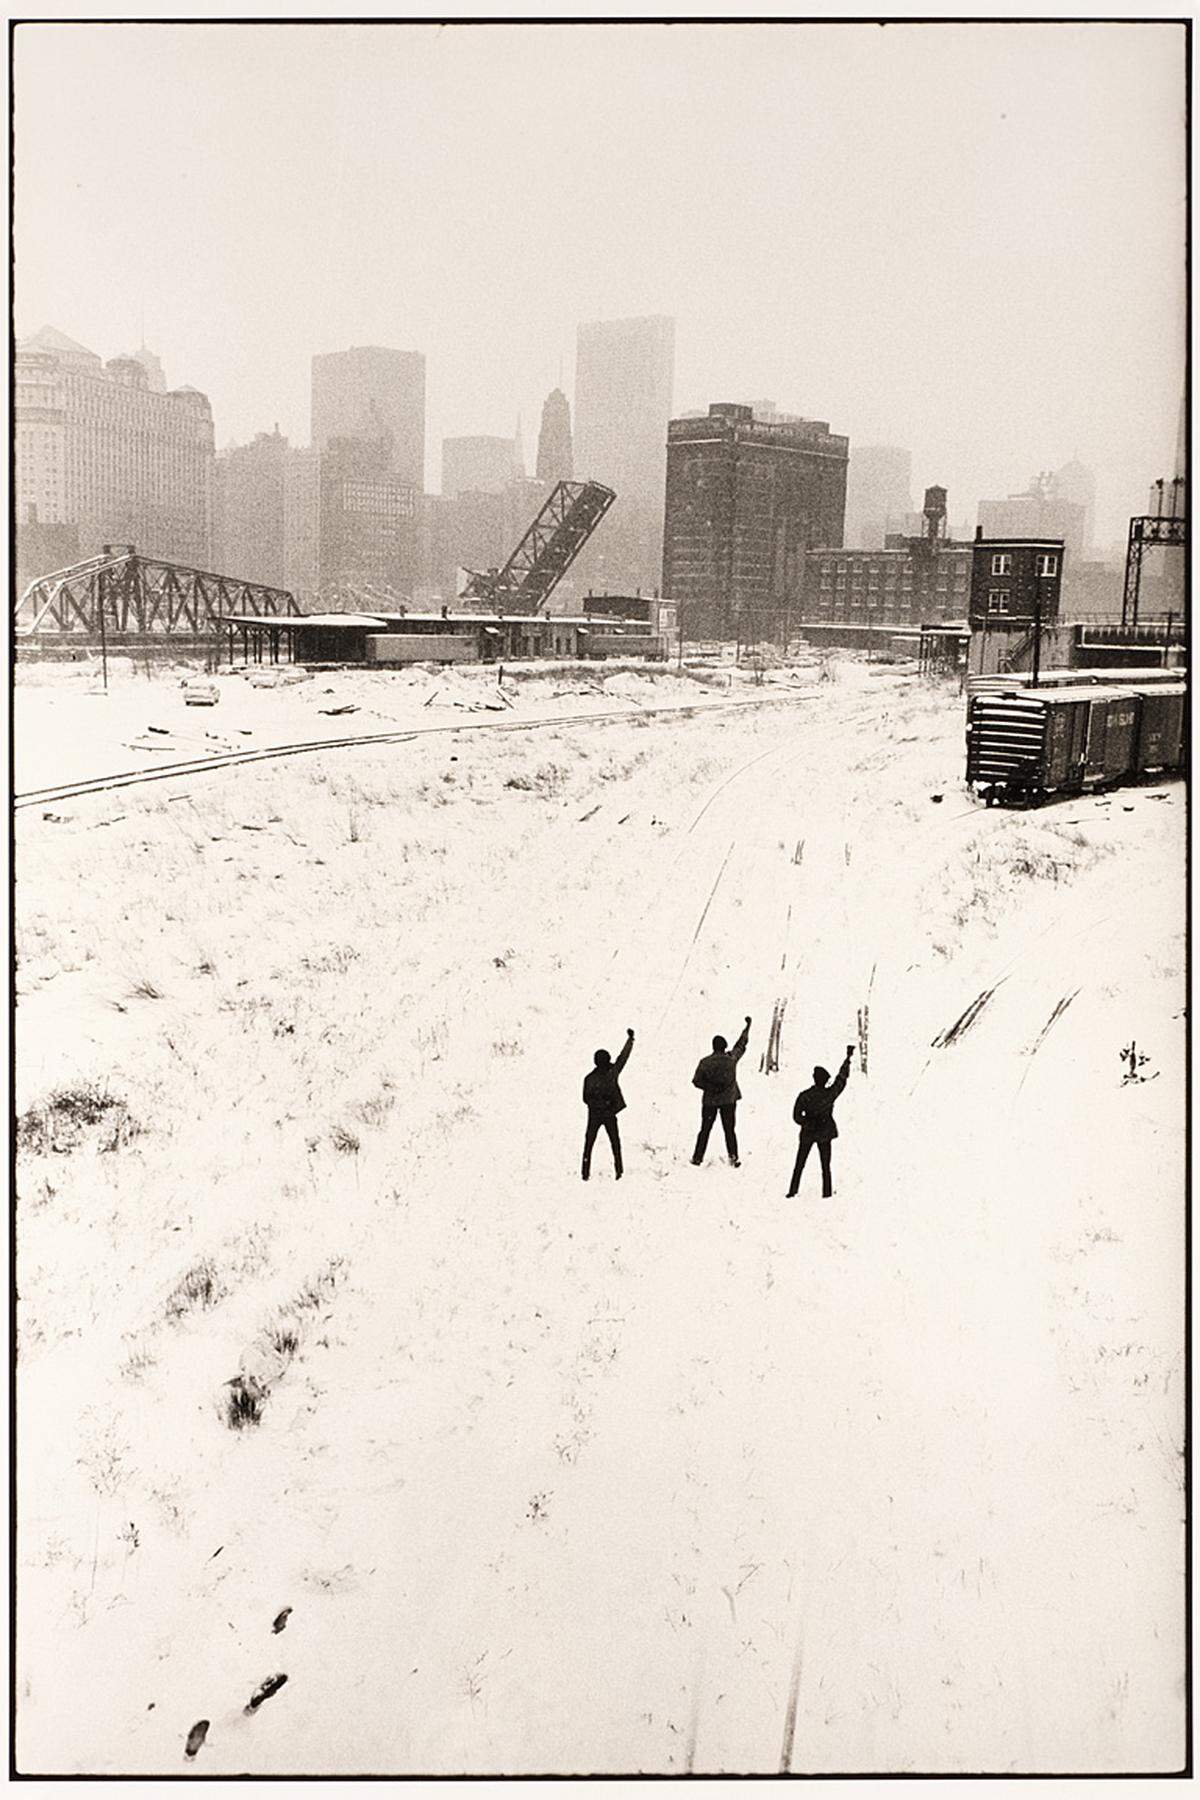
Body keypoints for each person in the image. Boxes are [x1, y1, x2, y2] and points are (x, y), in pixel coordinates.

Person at [787, 1046, 854, 1198]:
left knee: (799, 1164)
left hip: (808, 1133)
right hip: (825, 1132)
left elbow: (796, 1116)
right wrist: (847, 1059)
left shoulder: (804, 1095)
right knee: (826, 1166)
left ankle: (792, 1191)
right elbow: (841, 1080)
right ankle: (827, 1193)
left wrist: (806, 1123)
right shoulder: (829, 1094)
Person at [691, 1017, 752, 1167]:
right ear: (725, 1046)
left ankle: (698, 1158)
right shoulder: (731, 1059)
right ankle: (733, 1157)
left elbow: (696, 1081)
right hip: (728, 1101)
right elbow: (741, 1045)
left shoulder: (705, 1062)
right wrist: (747, 1028)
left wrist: (710, 1088)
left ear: (713, 1047)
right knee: (729, 1130)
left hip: (710, 1101)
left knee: (705, 1130)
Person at [581, 1028, 635, 1181]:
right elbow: (623, 1058)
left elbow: (586, 1098)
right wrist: (630, 1041)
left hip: (595, 1115)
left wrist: (597, 1105)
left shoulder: (589, 1078)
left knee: (589, 1144)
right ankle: (619, 1171)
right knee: (615, 1143)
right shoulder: (612, 1072)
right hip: (610, 1113)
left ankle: (585, 1173)